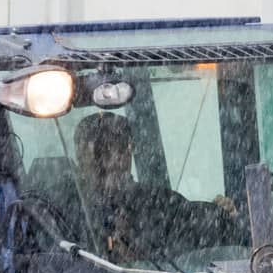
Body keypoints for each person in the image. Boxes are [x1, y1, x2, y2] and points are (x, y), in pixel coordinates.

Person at [73, 113, 240, 263]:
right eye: (100, 153)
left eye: (121, 148)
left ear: (130, 152)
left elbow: (200, 229)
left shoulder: (159, 202)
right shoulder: (64, 212)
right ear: (80, 158)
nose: (113, 161)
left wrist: (223, 216)